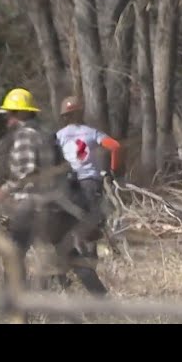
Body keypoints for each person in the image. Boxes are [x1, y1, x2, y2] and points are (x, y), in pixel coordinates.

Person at [0, 88, 108, 296]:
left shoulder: (25, 136)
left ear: (23, 114)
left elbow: (26, 173)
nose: (8, 118)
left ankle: (11, 302)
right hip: (55, 205)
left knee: (13, 254)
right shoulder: (47, 135)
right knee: (71, 254)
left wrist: (4, 190)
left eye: (12, 113)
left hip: (31, 208)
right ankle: (101, 298)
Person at [55, 95, 122, 284]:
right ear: (81, 112)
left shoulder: (59, 136)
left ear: (64, 116)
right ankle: (90, 271)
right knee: (91, 229)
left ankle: (62, 276)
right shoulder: (92, 132)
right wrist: (112, 171)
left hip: (68, 185)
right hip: (90, 183)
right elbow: (115, 147)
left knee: (65, 229)